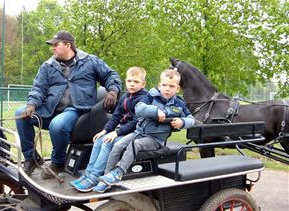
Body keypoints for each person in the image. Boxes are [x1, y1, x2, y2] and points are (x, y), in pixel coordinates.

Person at [15, 30, 122, 178]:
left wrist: (113, 91)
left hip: (76, 109)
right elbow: (38, 89)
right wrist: (31, 105)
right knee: (20, 114)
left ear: (68, 45)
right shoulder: (48, 65)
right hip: (50, 109)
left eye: (56, 44)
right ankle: (31, 158)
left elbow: (110, 75)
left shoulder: (90, 61)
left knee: (57, 125)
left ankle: (58, 162)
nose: (53, 48)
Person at [98, 68, 195, 189]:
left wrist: (182, 121)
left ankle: (118, 173)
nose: (167, 89)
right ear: (159, 85)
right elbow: (139, 108)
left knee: (135, 144)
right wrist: (156, 111)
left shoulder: (179, 104)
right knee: (118, 145)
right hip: (139, 132)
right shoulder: (151, 97)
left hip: (155, 140)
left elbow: (191, 120)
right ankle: (107, 178)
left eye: (171, 86)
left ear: (177, 88)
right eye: (164, 85)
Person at [70, 66, 147, 193]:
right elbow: (115, 117)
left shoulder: (144, 99)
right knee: (100, 139)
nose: (132, 84)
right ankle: (89, 173)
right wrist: (105, 131)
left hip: (136, 133)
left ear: (143, 84)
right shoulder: (125, 97)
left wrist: (116, 133)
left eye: (136, 82)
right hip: (123, 131)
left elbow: (136, 123)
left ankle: (95, 177)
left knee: (107, 142)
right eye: (129, 81)